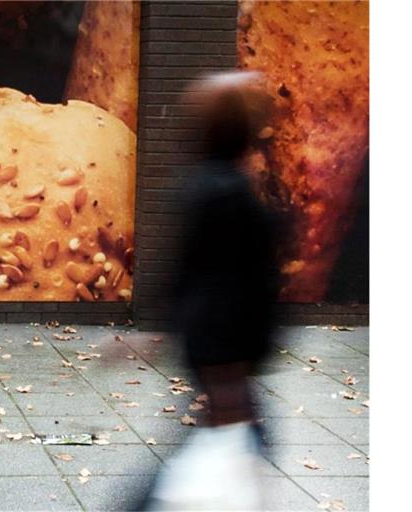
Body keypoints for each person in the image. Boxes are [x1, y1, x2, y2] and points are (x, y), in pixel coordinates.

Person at [138, 72, 283, 511]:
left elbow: (206, 282)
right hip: (223, 365)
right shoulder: (229, 193)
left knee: (216, 461)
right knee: (241, 453)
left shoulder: (212, 193)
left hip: (219, 364)